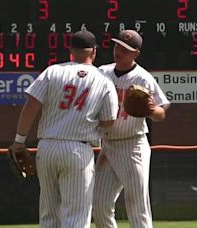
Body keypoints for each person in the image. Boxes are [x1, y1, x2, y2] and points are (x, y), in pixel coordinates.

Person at [9, 30, 119, 228]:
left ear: (71, 51)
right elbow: (109, 121)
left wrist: (19, 140)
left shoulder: (53, 71)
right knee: (76, 216)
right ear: (93, 52)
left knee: (49, 213)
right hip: (78, 150)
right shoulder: (104, 80)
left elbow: (31, 106)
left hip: (47, 147)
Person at [92, 30, 170, 228]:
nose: (119, 51)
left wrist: (152, 109)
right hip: (108, 145)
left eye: (125, 49)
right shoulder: (102, 72)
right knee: (99, 205)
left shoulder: (143, 78)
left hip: (133, 145)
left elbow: (161, 113)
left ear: (135, 53)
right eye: (117, 46)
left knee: (137, 206)